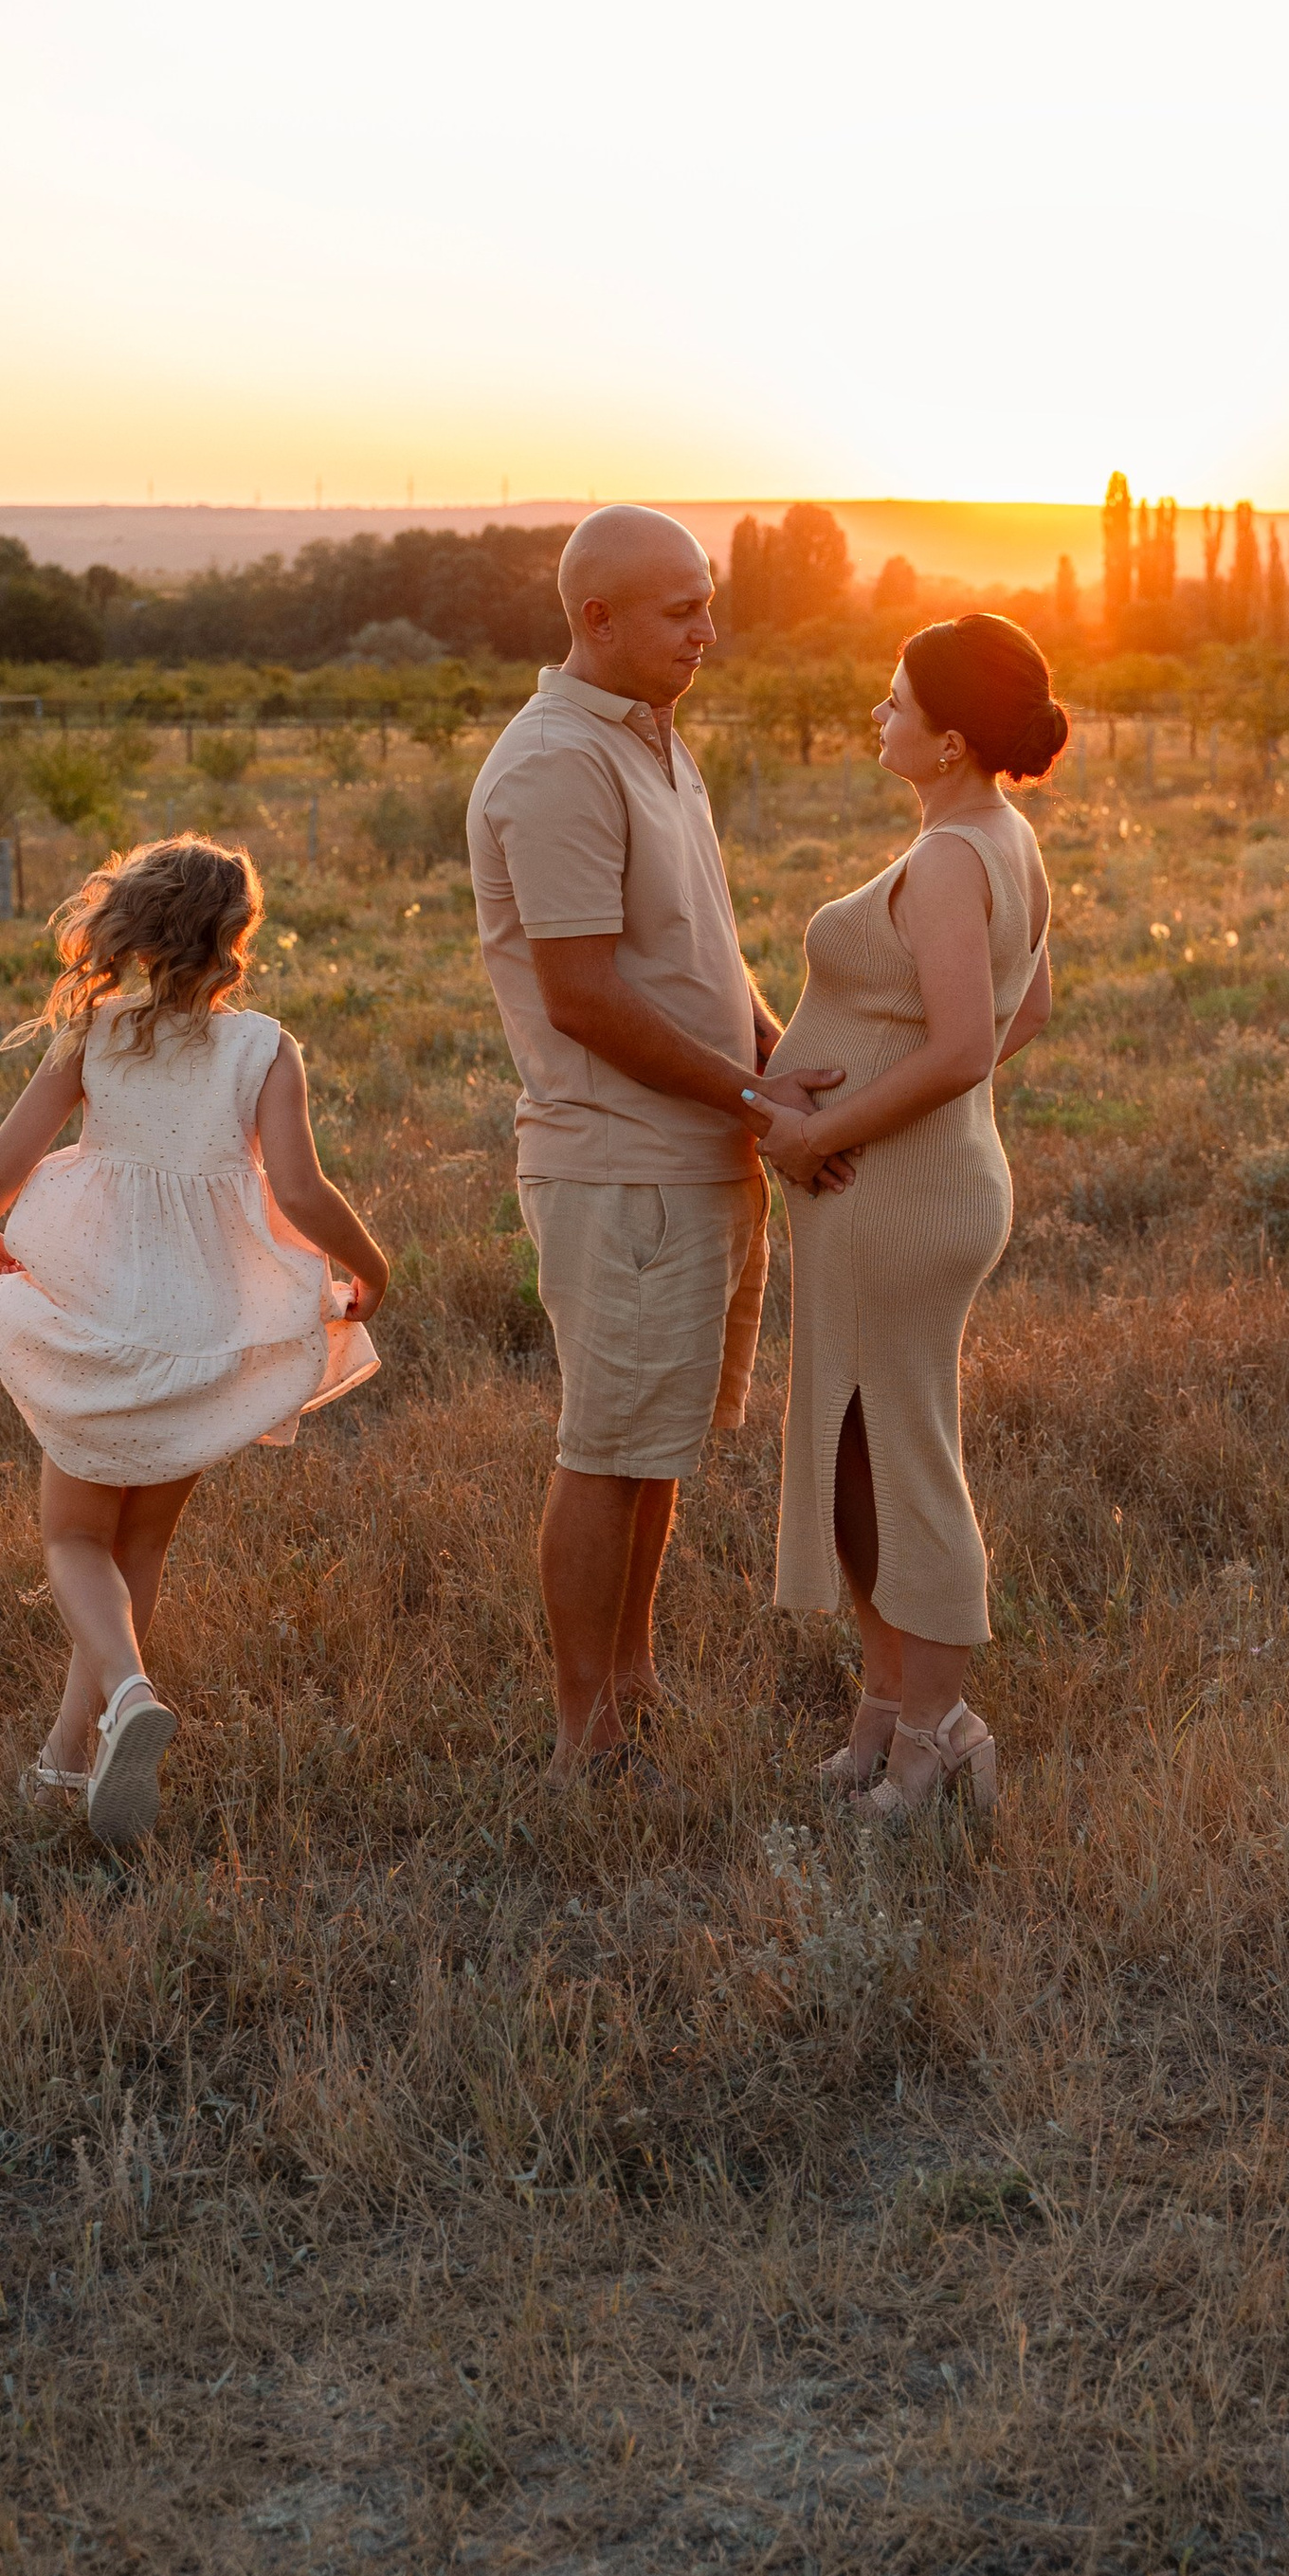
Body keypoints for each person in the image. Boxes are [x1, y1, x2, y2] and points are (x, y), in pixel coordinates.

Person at [466, 505, 850, 1777]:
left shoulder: (655, 743)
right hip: (620, 1161)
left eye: (707, 601)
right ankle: (589, 1732)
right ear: (596, 619)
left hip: (700, 1153)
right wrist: (760, 1110)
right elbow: (582, 994)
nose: (708, 629)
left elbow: (701, 963)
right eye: (681, 609)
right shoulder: (558, 762)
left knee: (658, 1447)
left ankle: (634, 1683)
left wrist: (782, 1069)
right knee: (606, 1444)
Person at [0, 833, 388, 1844]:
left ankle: (131, 1689)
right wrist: (373, 1265)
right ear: (236, 936)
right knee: (136, 1540)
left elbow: (0, 1165)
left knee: (71, 1536)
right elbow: (300, 1187)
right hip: (204, 1322)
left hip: (102, 1308)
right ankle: (68, 1758)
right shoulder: (264, 1045)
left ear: (135, 930)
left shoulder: (95, 1033)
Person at [750, 615, 1065, 1825]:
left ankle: (941, 1737)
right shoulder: (994, 837)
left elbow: (965, 1042)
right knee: (855, 1455)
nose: (875, 718)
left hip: (896, 1194)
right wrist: (890, 1094)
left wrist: (830, 1127)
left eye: (892, 704)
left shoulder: (950, 857)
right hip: (907, 1181)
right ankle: (883, 1711)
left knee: (904, 1460)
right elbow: (1024, 1003)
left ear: (944, 736)